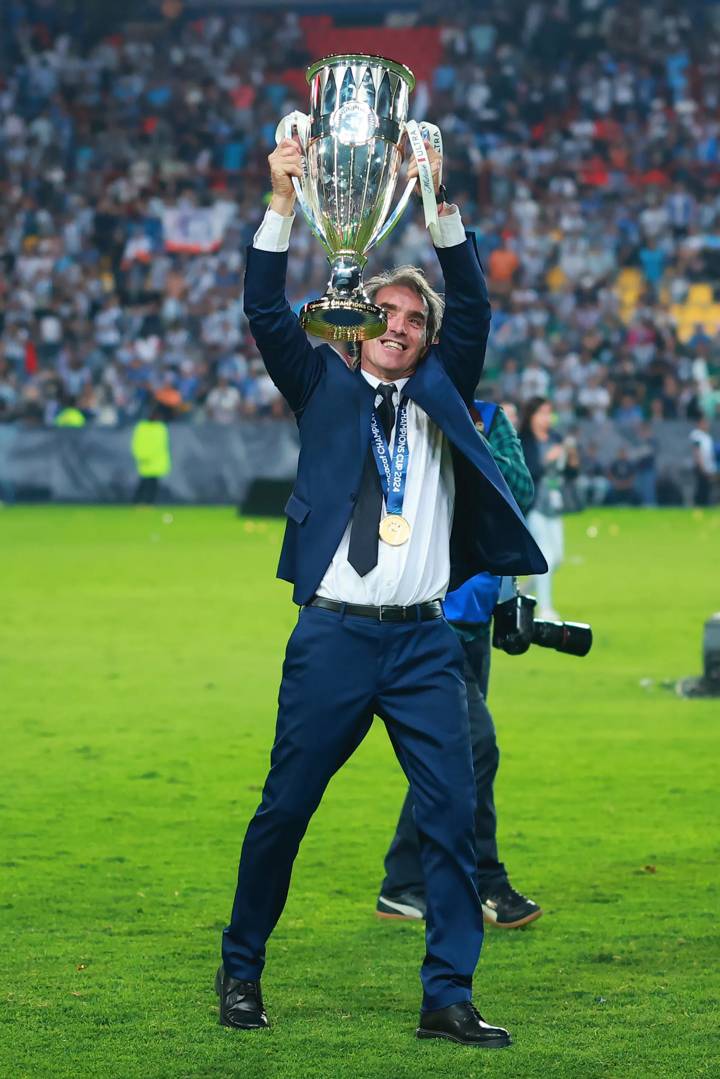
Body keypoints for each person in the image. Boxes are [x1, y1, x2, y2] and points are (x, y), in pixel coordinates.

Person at [216, 135, 546, 1048]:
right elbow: (261, 307)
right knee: (286, 807)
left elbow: (471, 298)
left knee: (448, 821)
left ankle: (448, 995)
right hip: (333, 639)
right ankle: (241, 968)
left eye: (413, 320)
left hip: (423, 644)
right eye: (385, 315)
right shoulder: (321, 385)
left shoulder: (447, 389)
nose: (398, 327)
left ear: (429, 340)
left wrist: (438, 199)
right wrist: (281, 204)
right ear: (359, 323)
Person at [376, 400, 543, 930]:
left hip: (472, 618)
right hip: (425, 619)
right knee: (475, 747)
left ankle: (403, 885)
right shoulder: (407, 411)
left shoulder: (491, 417)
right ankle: (487, 882)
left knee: (451, 754)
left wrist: (477, 434)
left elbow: (519, 493)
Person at [519, 397, 566, 620]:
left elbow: (568, 473)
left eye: (549, 413)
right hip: (535, 504)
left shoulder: (556, 437)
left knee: (557, 557)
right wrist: (548, 459)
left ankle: (524, 593)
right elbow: (529, 471)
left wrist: (572, 461)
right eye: (542, 413)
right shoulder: (525, 440)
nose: (547, 418)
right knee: (546, 555)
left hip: (554, 504)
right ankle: (545, 608)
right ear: (532, 416)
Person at [130, 403, 172, 504]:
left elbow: (160, 445)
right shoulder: (144, 427)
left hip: (154, 462)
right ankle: (139, 502)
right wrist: (142, 456)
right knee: (145, 484)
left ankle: (146, 503)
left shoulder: (159, 428)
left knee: (151, 484)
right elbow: (137, 444)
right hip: (147, 461)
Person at [689, 416, 717, 506]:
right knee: (701, 486)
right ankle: (698, 505)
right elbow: (696, 450)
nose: (707, 425)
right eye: (704, 423)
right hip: (700, 465)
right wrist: (701, 465)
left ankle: (705, 505)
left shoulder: (707, 436)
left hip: (708, 466)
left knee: (707, 487)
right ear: (699, 424)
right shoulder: (697, 434)